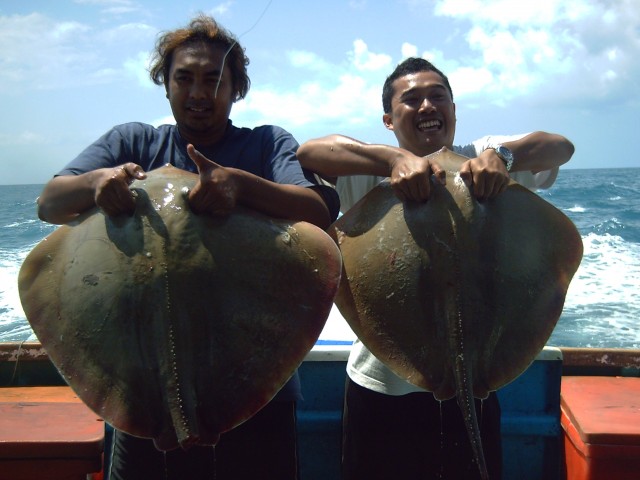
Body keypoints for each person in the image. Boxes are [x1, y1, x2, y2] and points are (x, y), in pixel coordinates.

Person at [37, 15, 339, 480]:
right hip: (141, 383)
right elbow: (50, 202)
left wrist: (240, 186)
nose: (199, 93)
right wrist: (98, 181)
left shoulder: (265, 145)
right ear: (166, 85)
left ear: (237, 90)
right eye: (184, 78)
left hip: (259, 380)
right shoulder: (133, 142)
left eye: (214, 80)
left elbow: (318, 211)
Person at [297, 57, 575, 479]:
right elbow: (310, 152)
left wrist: (503, 157)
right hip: (381, 386)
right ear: (389, 120)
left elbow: (560, 147)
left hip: (479, 376)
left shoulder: (478, 155)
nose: (427, 105)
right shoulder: (367, 173)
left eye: (438, 96)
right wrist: (391, 160)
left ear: (454, 110)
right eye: (411, 100)